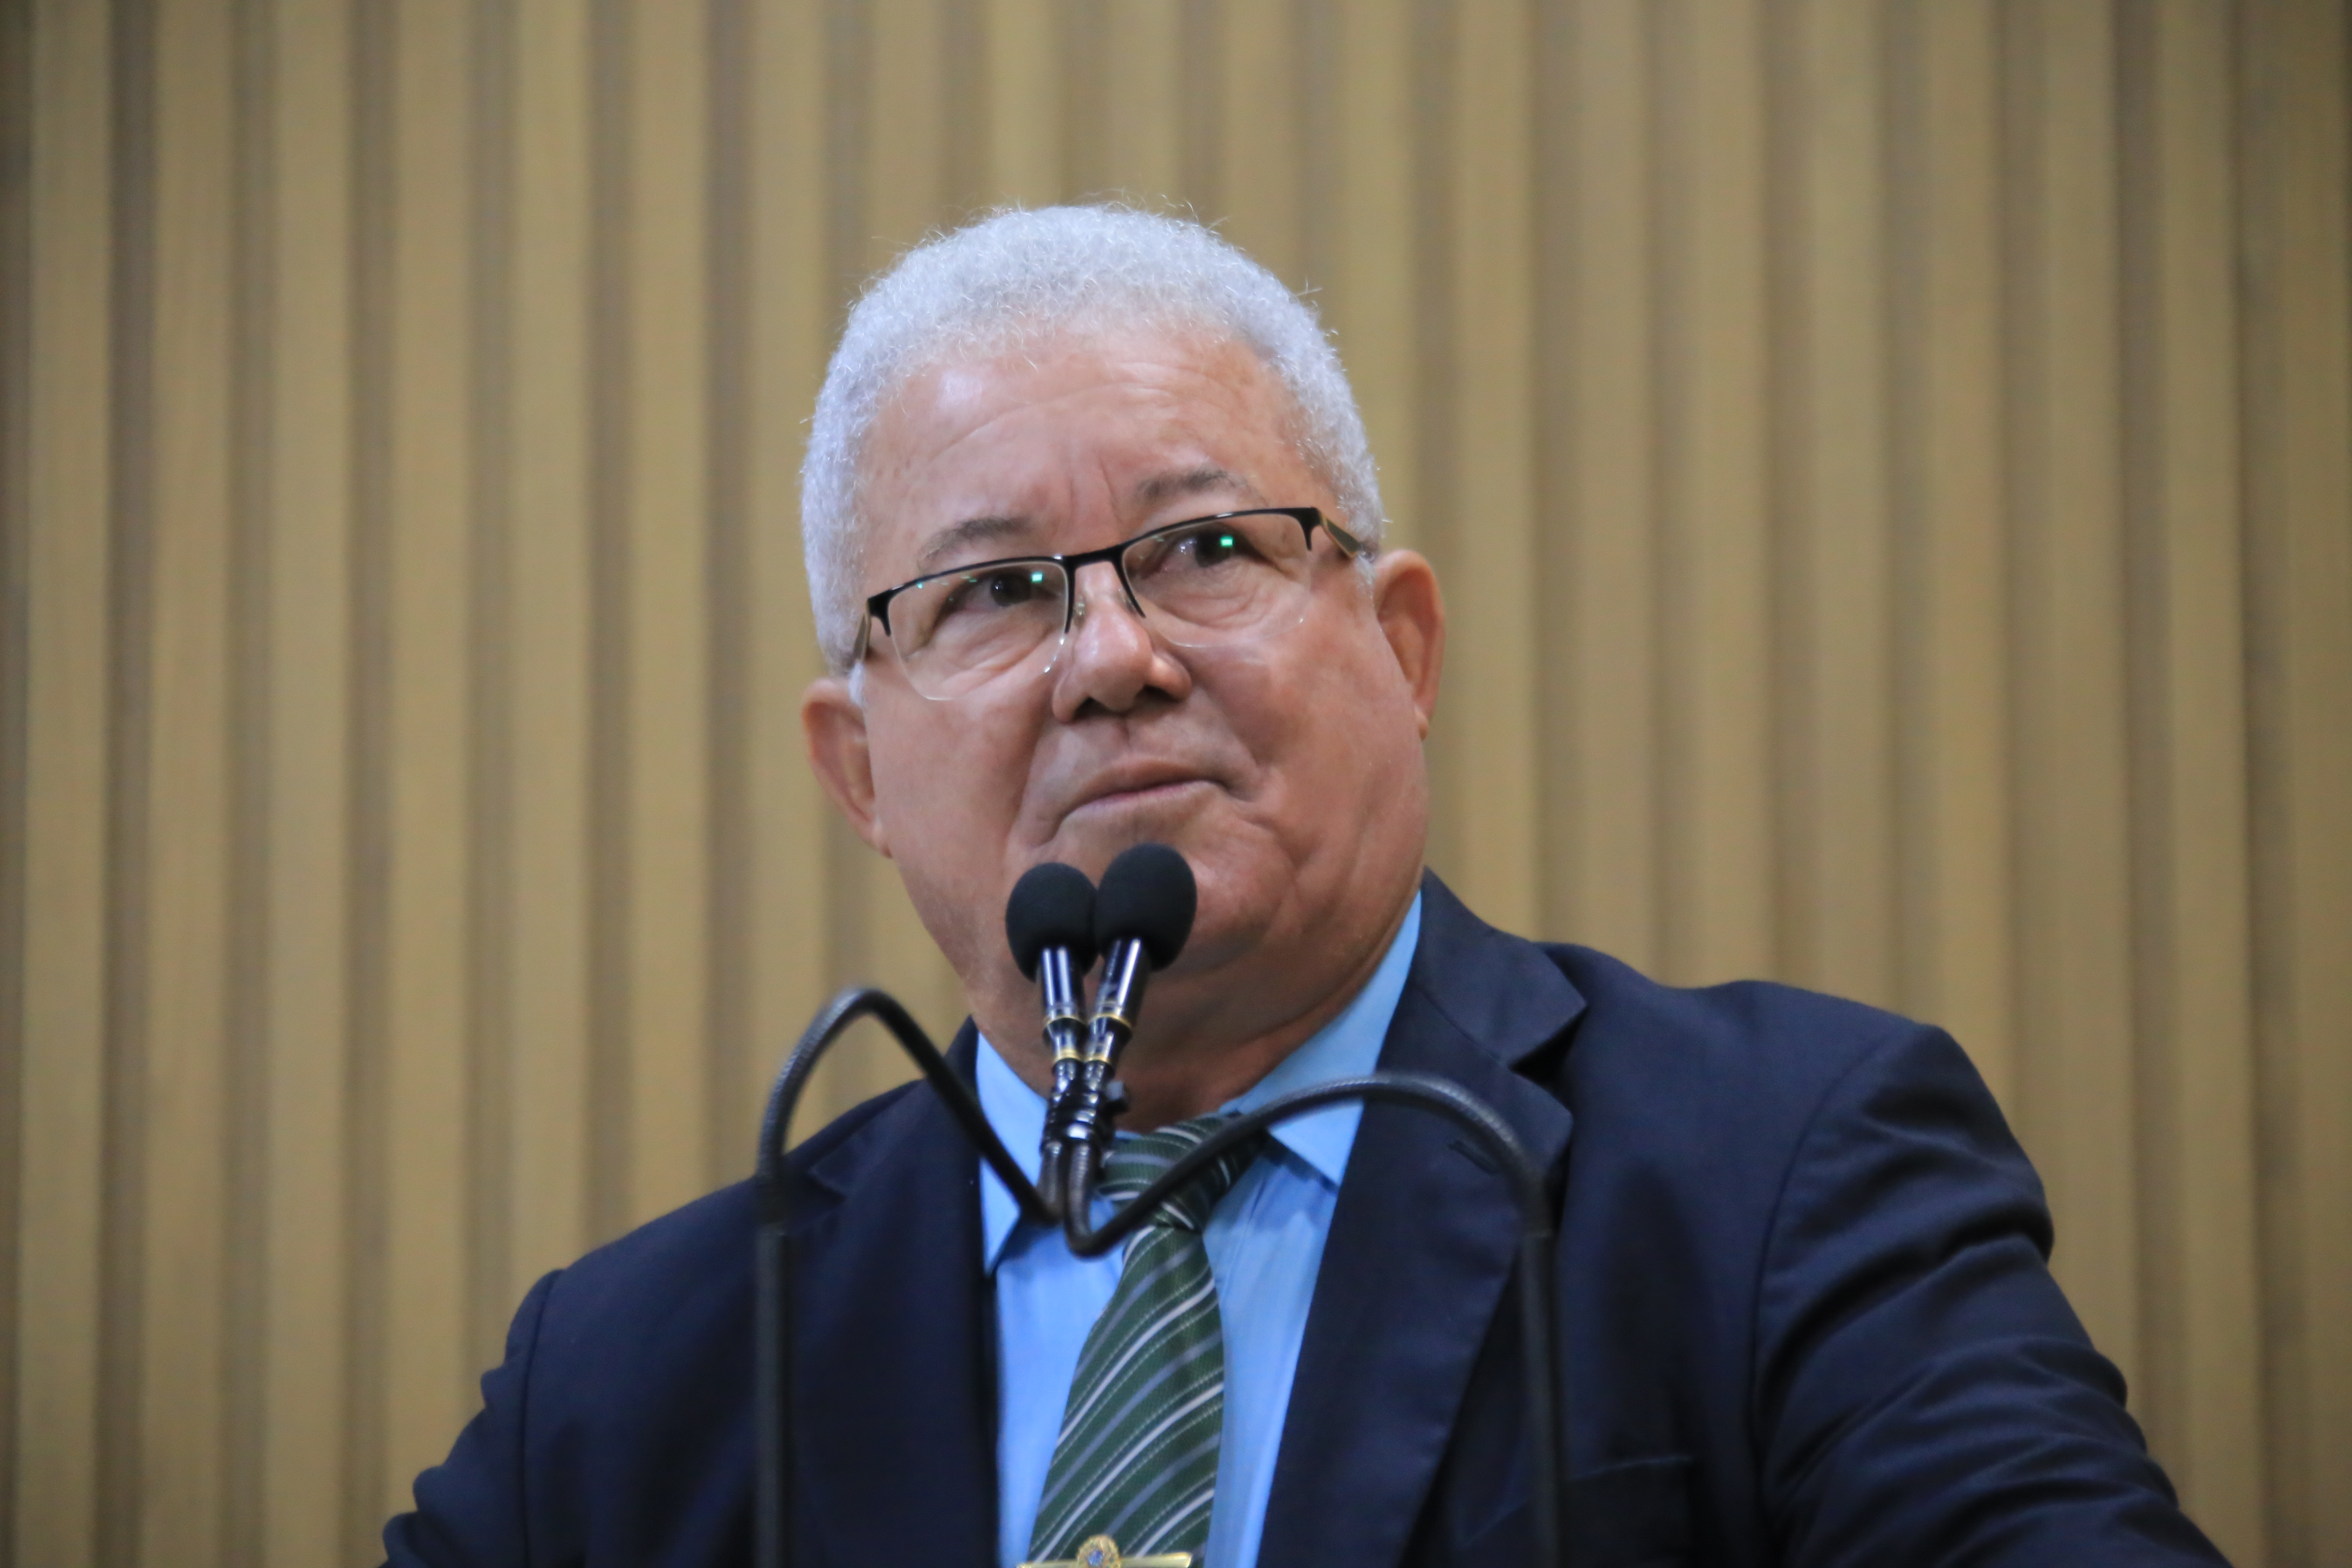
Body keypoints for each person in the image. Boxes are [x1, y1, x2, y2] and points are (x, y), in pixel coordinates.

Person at [383, 205, 2226, 1568]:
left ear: (1401, 648)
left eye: (1204, 548)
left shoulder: (1779, 1182)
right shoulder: (626, 1384)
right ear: (859, 769)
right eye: (996, 591)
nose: (1112, 659)